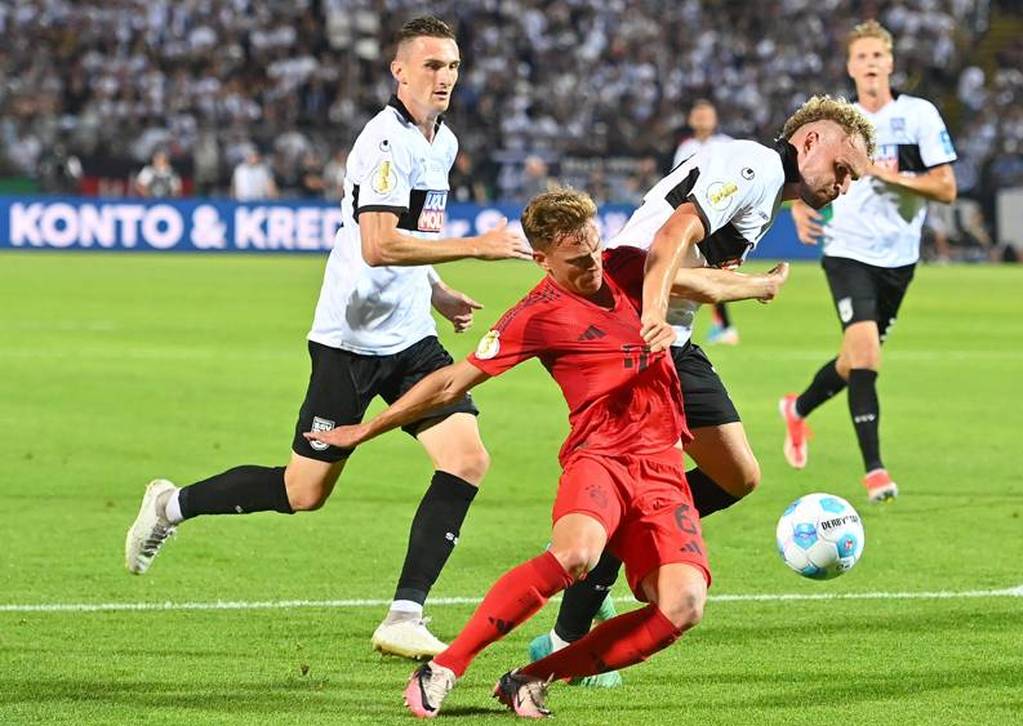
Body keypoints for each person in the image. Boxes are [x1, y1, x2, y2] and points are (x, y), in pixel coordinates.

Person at [123, 15, 531, 661]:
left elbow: (413, 233)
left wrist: (436, 289)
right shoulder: (385, 142)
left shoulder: (442, 140)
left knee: (466, 458)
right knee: (303, 492)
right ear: (399, 71)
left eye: (453, 65)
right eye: (432, 65)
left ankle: (404, 615)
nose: (445, 77)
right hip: (350, 342)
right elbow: (377, 243)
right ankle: (172, 505)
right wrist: (476, 248)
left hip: (410, 338)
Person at [305, 189, 787, 719]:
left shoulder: (626, 266)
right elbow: (450, 383)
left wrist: (759, 285)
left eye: (595, 248)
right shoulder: (535, 316)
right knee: (576, 554)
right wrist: (369, 427)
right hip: (600, 458)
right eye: (577, 260)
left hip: (664, 466)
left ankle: (531, 678)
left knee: (684, 605)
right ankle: (444, 668)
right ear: (543, 260)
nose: (593, 266)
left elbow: (697, 281)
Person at [529, 94, 875, 686]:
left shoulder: (766, 186)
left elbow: (691, 267)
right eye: (842, 169)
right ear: (811, 140)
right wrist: (654, 319)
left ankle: (611, 542)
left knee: (736, 474)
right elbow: (667, 242)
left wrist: (746, 287)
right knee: (646, 480)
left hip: (672, 337)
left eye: (852, 180)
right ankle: (564, 642)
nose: (842, 185)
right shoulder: (755, 165)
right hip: (636, 332)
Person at [781, 20, 958, 503]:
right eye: (862, 57)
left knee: (852, 361)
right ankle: (875, 471)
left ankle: (797, 409)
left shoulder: (919, 115)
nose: (870, 64)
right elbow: (797, 171)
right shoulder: (839, 124)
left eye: (877, 56)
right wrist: (798, 207)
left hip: (899, 259)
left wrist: (884, 175)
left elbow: (946, 188)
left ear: (890, 63)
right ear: (850, 67)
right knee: (866, 357)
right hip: (847, 251)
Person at [672, 100, 738, 346]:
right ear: (690, 120)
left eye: (706, 114)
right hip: (691, 215)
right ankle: (718, 325)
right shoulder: (685, 147)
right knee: (700, 269)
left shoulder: (727, 145)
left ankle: (723, 326)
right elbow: (676, 180)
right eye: (698, 114)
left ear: (715, 119)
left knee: (712, 269)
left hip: (718, 215)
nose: (702, 119)